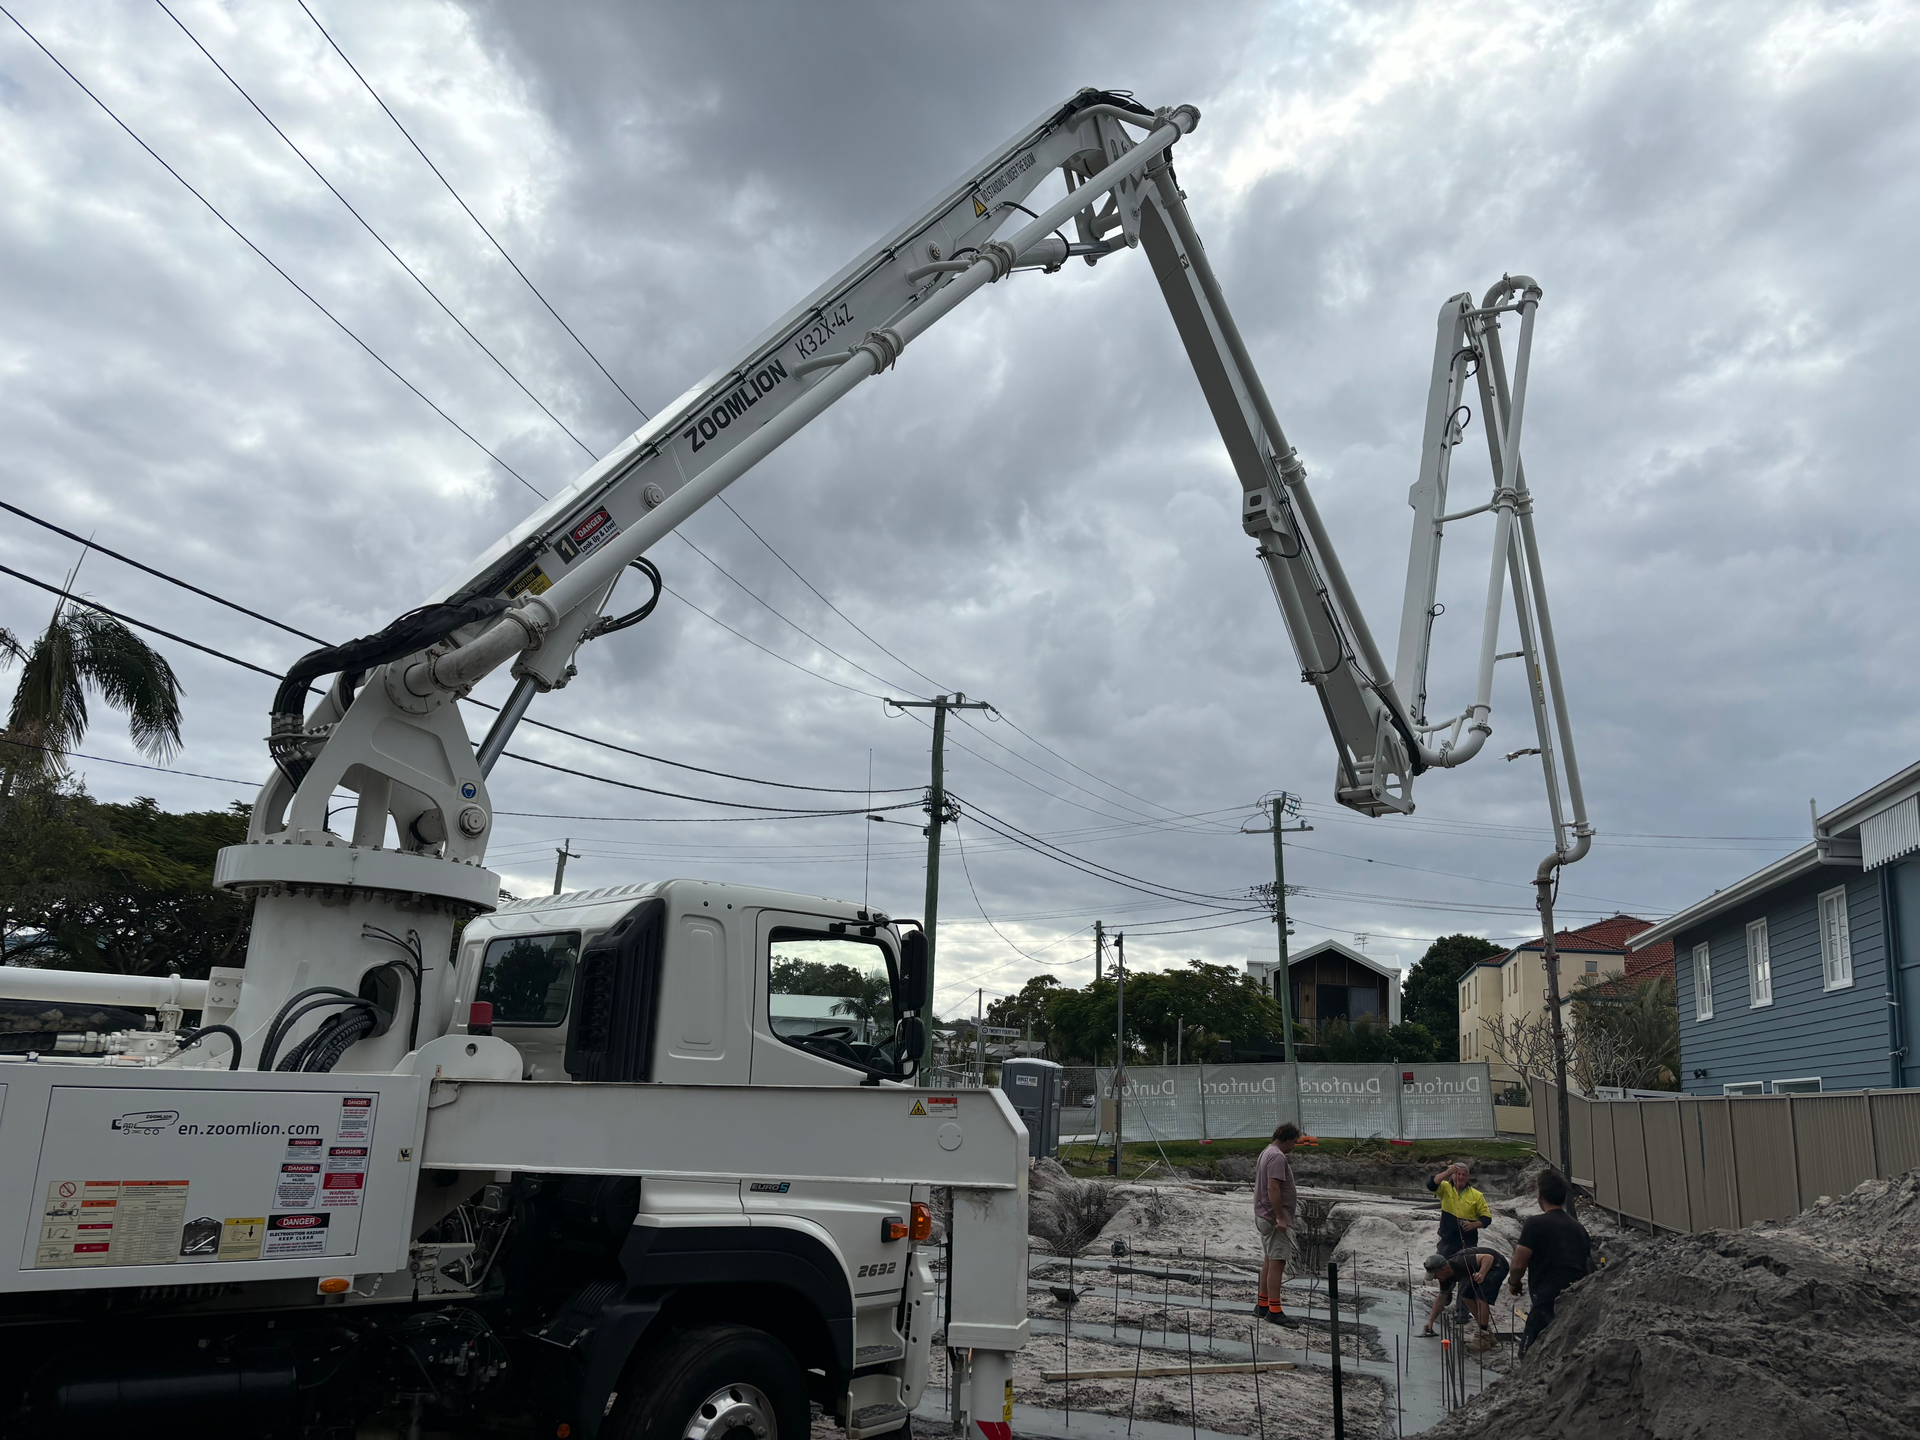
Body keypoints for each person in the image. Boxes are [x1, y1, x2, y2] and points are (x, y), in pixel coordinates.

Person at [1506, 1168, 1592, 1355]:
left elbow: (1519, 1264)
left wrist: (1514, 1283)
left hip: (1547, 1300)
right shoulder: (1578, 1228)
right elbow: (1589, 1265)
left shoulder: (1535, 1224)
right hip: (1578, 1299)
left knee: (1529, 1354)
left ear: (1540, 1196)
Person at [1421, 1162, 1491, 1334]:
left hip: (1467, 1243)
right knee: (1442, 1271)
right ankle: (1445, 1295)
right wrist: (1446, 1172)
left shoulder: (1476, 1195)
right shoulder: (1445, 1188)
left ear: (1468, 1177)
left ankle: (1462, 1312)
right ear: (1453, 1176)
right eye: (1457, 1174)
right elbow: (1431, 1184)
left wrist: (1474, 1224)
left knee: (1466, 1277)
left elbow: (1487, 1218)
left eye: (1463, 1175)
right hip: (1447, 1241)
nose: (1460, 1178)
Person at [1253, 1121, 1303, 1327]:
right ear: (1289, 1139)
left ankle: (1262, 1305)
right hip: (1272, 1218)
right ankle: (1275, 1311)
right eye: (1294, 1143)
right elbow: (1273, 1188)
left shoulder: (1267, 1151)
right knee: (1277, 1262)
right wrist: (1280, 1217)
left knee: (1269, 1259)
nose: (1294, 1147)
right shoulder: (1277, 1156)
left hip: (1264, 1215)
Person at [1422, 1244, 1509, 1351]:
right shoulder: (1445, 1277)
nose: (1435, 1279)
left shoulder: (1460, 1261)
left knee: (1480, 1297)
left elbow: (1488, 1258)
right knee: (1466, 1295)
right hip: (1484, 1268)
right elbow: (1441, 1298)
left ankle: (1482, 1338)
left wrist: (1481, 1273)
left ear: (1443, 1269)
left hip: (1497, 1265)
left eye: (1435, 1275)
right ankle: (1487, 1335)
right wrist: (1431, 1321)